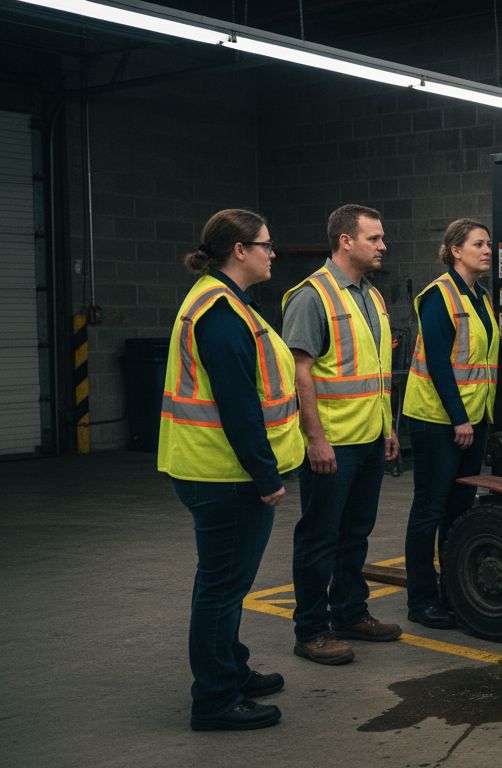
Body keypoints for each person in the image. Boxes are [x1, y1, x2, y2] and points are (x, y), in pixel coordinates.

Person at [159, 209, 303, 731]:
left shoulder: (226, 301)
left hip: (213, 469)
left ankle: (232, 669)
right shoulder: (221, 312)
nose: (272, 253)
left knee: (226, 585)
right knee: (221, 588)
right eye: (265, 244)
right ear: (239, 250)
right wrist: (266, 477)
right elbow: (239, 407)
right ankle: (216, 699)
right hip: (224, 475)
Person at [282, 204, 400, 665]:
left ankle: (350, 612)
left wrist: (388, 428)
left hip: (369, 438)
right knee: (319, 537)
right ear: (345, 241)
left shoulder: (371, 295)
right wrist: (314, 439)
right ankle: (311, 629)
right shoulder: (312, 296)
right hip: (331, 443)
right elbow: (300, 373)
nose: (383, 245)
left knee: (356, 533)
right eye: (374, 238)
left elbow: (376, 371)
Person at [401, 219, 500, 629]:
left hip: (474, 417)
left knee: (459, 509)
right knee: (430, 508)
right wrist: (459, 418)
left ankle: (452, 590)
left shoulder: (482, 296)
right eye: (479, 244)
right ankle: (421, 599)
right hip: (438, 419)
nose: (488, 250)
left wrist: (476, 418)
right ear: (455, 251)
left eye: (489, 244)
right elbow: (440, 364)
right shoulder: (439, 296)